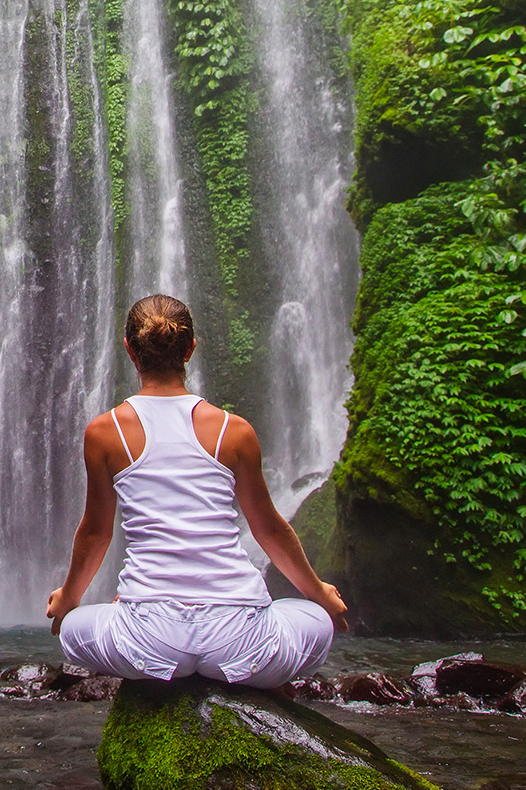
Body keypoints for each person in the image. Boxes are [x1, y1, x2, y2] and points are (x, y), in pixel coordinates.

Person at [46, 293, 348, 689]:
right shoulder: (234, 430)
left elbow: (96, 532)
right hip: (240, 639)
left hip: (151, 639)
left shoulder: (104, 432)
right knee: (315, 623)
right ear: (190, 347)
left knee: (73, 630)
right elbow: (270, 530)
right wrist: (320, 593)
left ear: (129, 350)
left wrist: (69, 598)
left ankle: (147, 625)